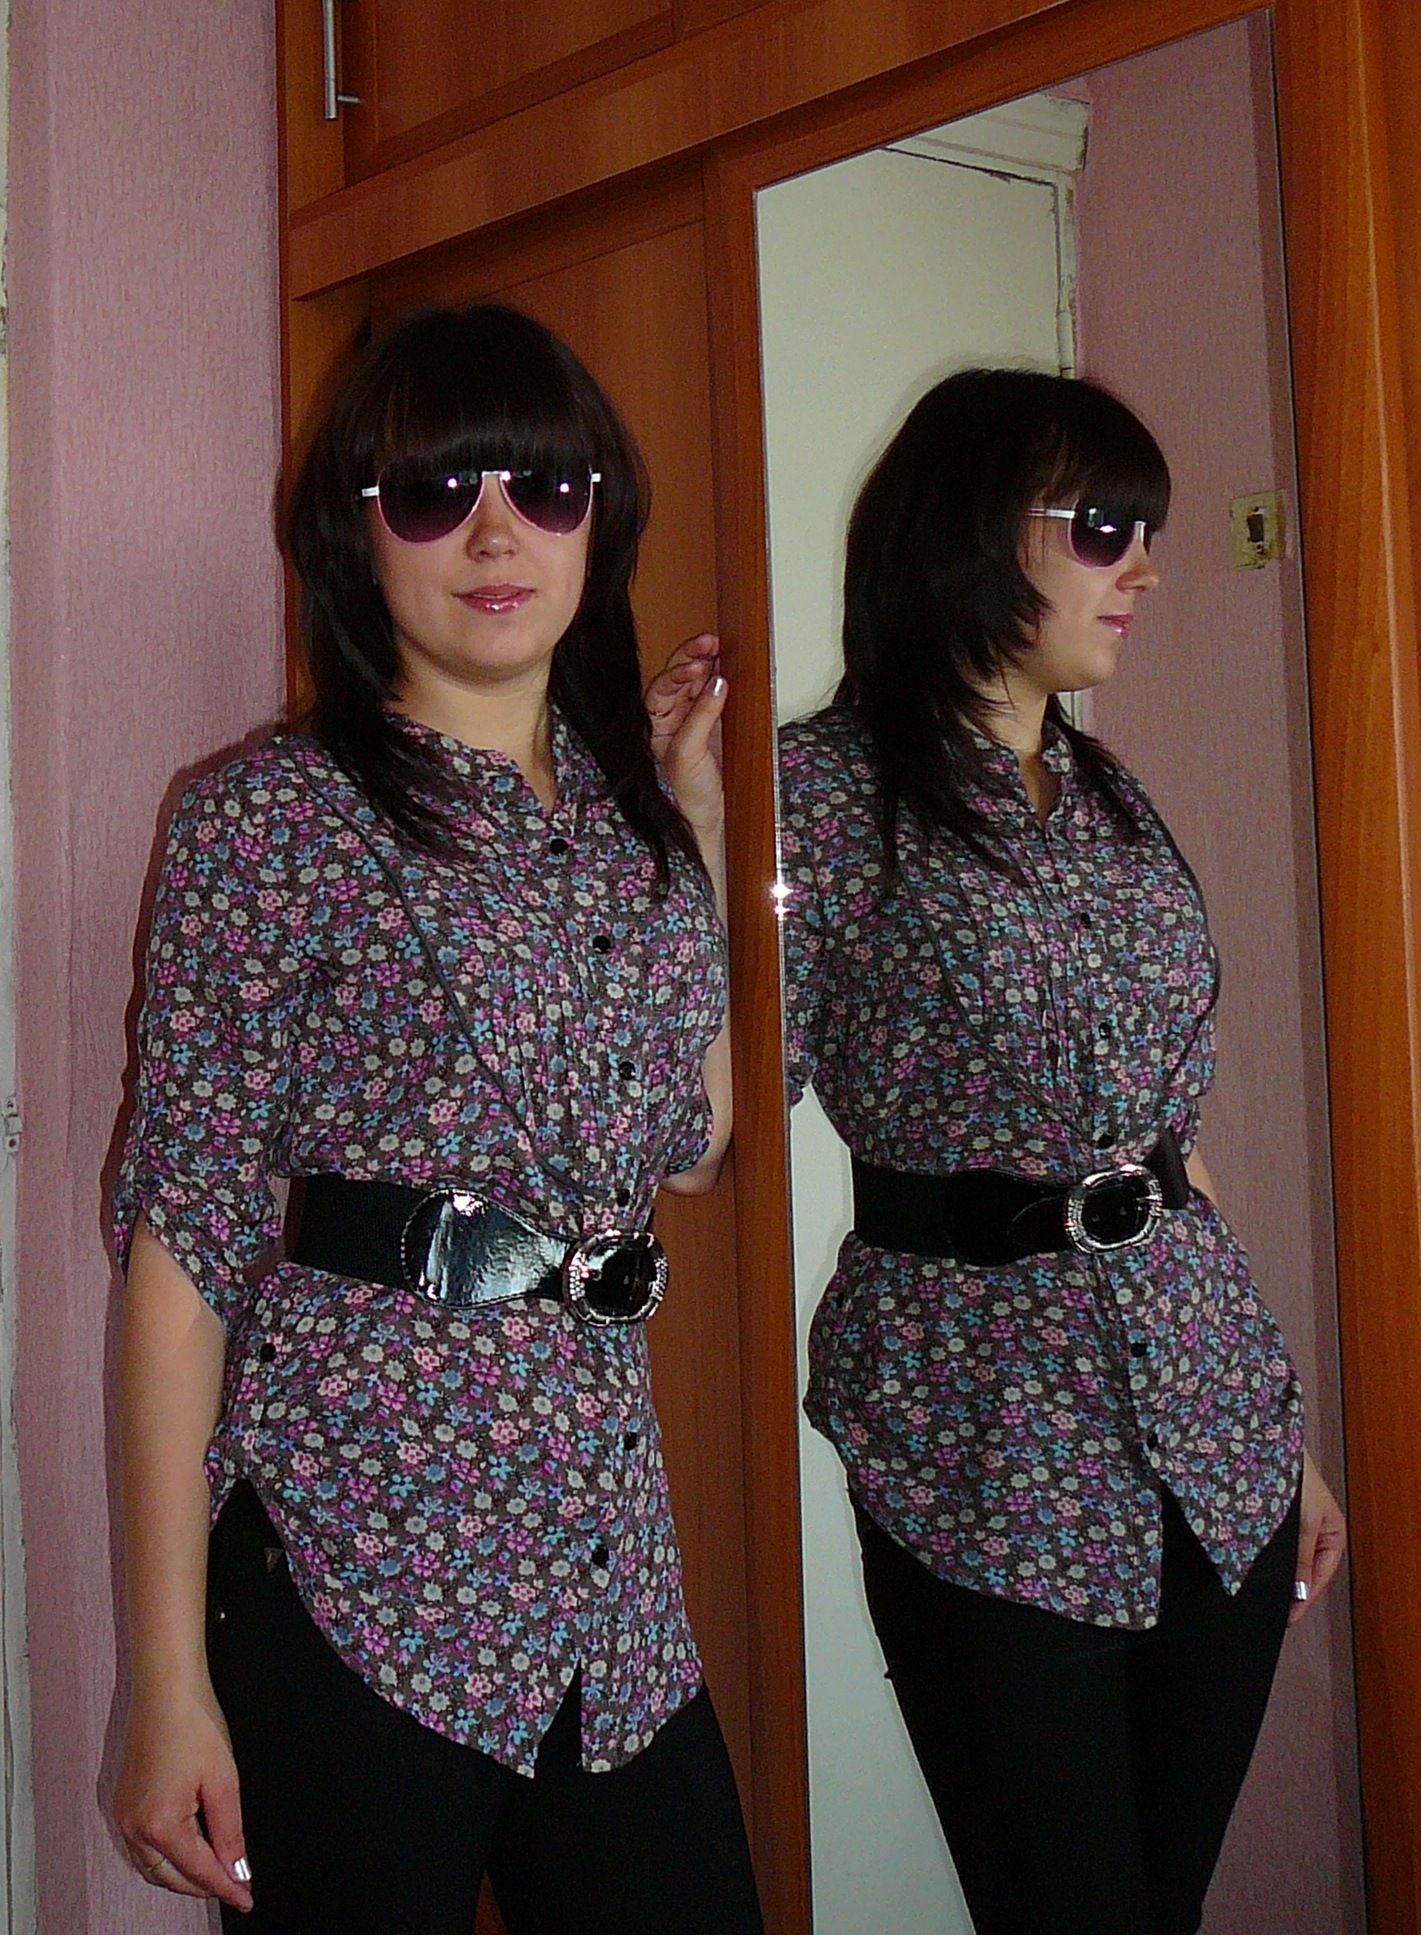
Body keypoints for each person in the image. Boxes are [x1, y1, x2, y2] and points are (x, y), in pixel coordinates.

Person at [650, 367, 1346, 1935]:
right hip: (978, 1442)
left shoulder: (1104, 790)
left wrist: (1272, 1433)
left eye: (1147, 532)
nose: (1141, 568)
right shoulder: (817, 796)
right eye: (1102, 527)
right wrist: (700, 832)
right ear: (969, 529)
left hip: (1211, 1436)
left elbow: (1161, 1138)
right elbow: (698, 1140)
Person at [111, 303, 762, 1935]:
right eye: (432, 492)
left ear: (597, 517)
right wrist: (164, 1679)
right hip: (354, 1570)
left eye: (543, 488)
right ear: (354, 529)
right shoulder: (267, 819)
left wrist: (688, 815)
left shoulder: (628, 821)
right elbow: (182, 1251)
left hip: (610, 1593)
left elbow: (693, 1144)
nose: (494, 532)